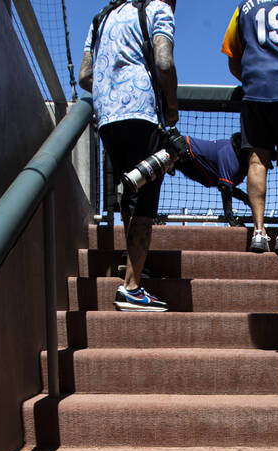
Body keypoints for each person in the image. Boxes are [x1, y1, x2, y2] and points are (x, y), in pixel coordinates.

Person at [80, 0, 180, 311]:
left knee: (128, 192)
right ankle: (132, 288)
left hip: (108, 117)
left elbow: (86, 74)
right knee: (146, 197)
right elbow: (164, 62)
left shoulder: (101, 17)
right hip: (141, 112)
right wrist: (173, 106)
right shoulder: (158, 10)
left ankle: (133, 263)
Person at [221, 0, 278, 255]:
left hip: (255, 91)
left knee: (257, 162)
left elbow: (233, 60)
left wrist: (255, 79)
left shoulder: (243, 8)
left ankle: (258, 231)